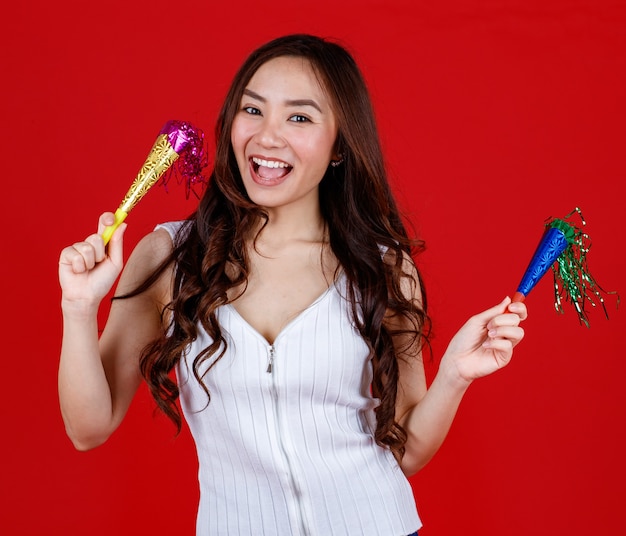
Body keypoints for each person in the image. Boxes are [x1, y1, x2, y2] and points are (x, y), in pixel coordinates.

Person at [58, 34, 527, 536]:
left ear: (340, 146)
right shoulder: (171, 257)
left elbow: (406, 453)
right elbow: (89, 428)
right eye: (252, 110)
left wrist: (454, 374)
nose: (268, 137)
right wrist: (79, 306)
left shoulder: (381, 267)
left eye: (299, 117)